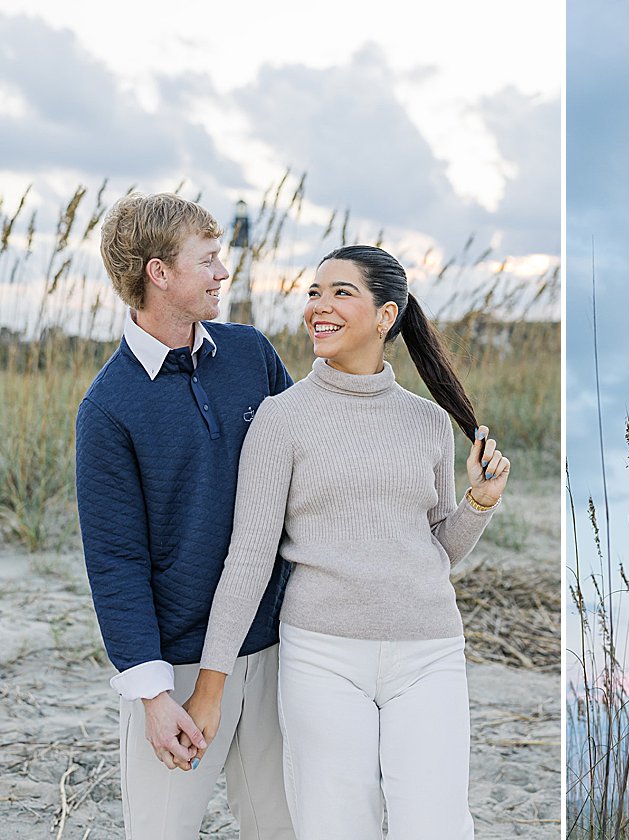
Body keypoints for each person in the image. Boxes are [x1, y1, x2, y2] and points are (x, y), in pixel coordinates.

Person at [181, 244, 510, 839]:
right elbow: (249, 559)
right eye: (314, 292)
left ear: (386, 317)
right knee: (336, 825)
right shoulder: (281, 418)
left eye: (341, 292)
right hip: (322, 656)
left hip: (429, 651)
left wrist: (478, 504)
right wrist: (211, 684)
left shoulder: (429, 422)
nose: (319, 307)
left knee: (434, 824)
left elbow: (435, 550)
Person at [75, 192, 295, 839]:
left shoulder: (251, 354)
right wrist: (151, 694)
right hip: (177, 670)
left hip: (276, 647)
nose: (222, 272)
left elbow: (308, 457)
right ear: (159, 273)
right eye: (207, 259)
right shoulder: (108, 408)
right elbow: (116, 561)